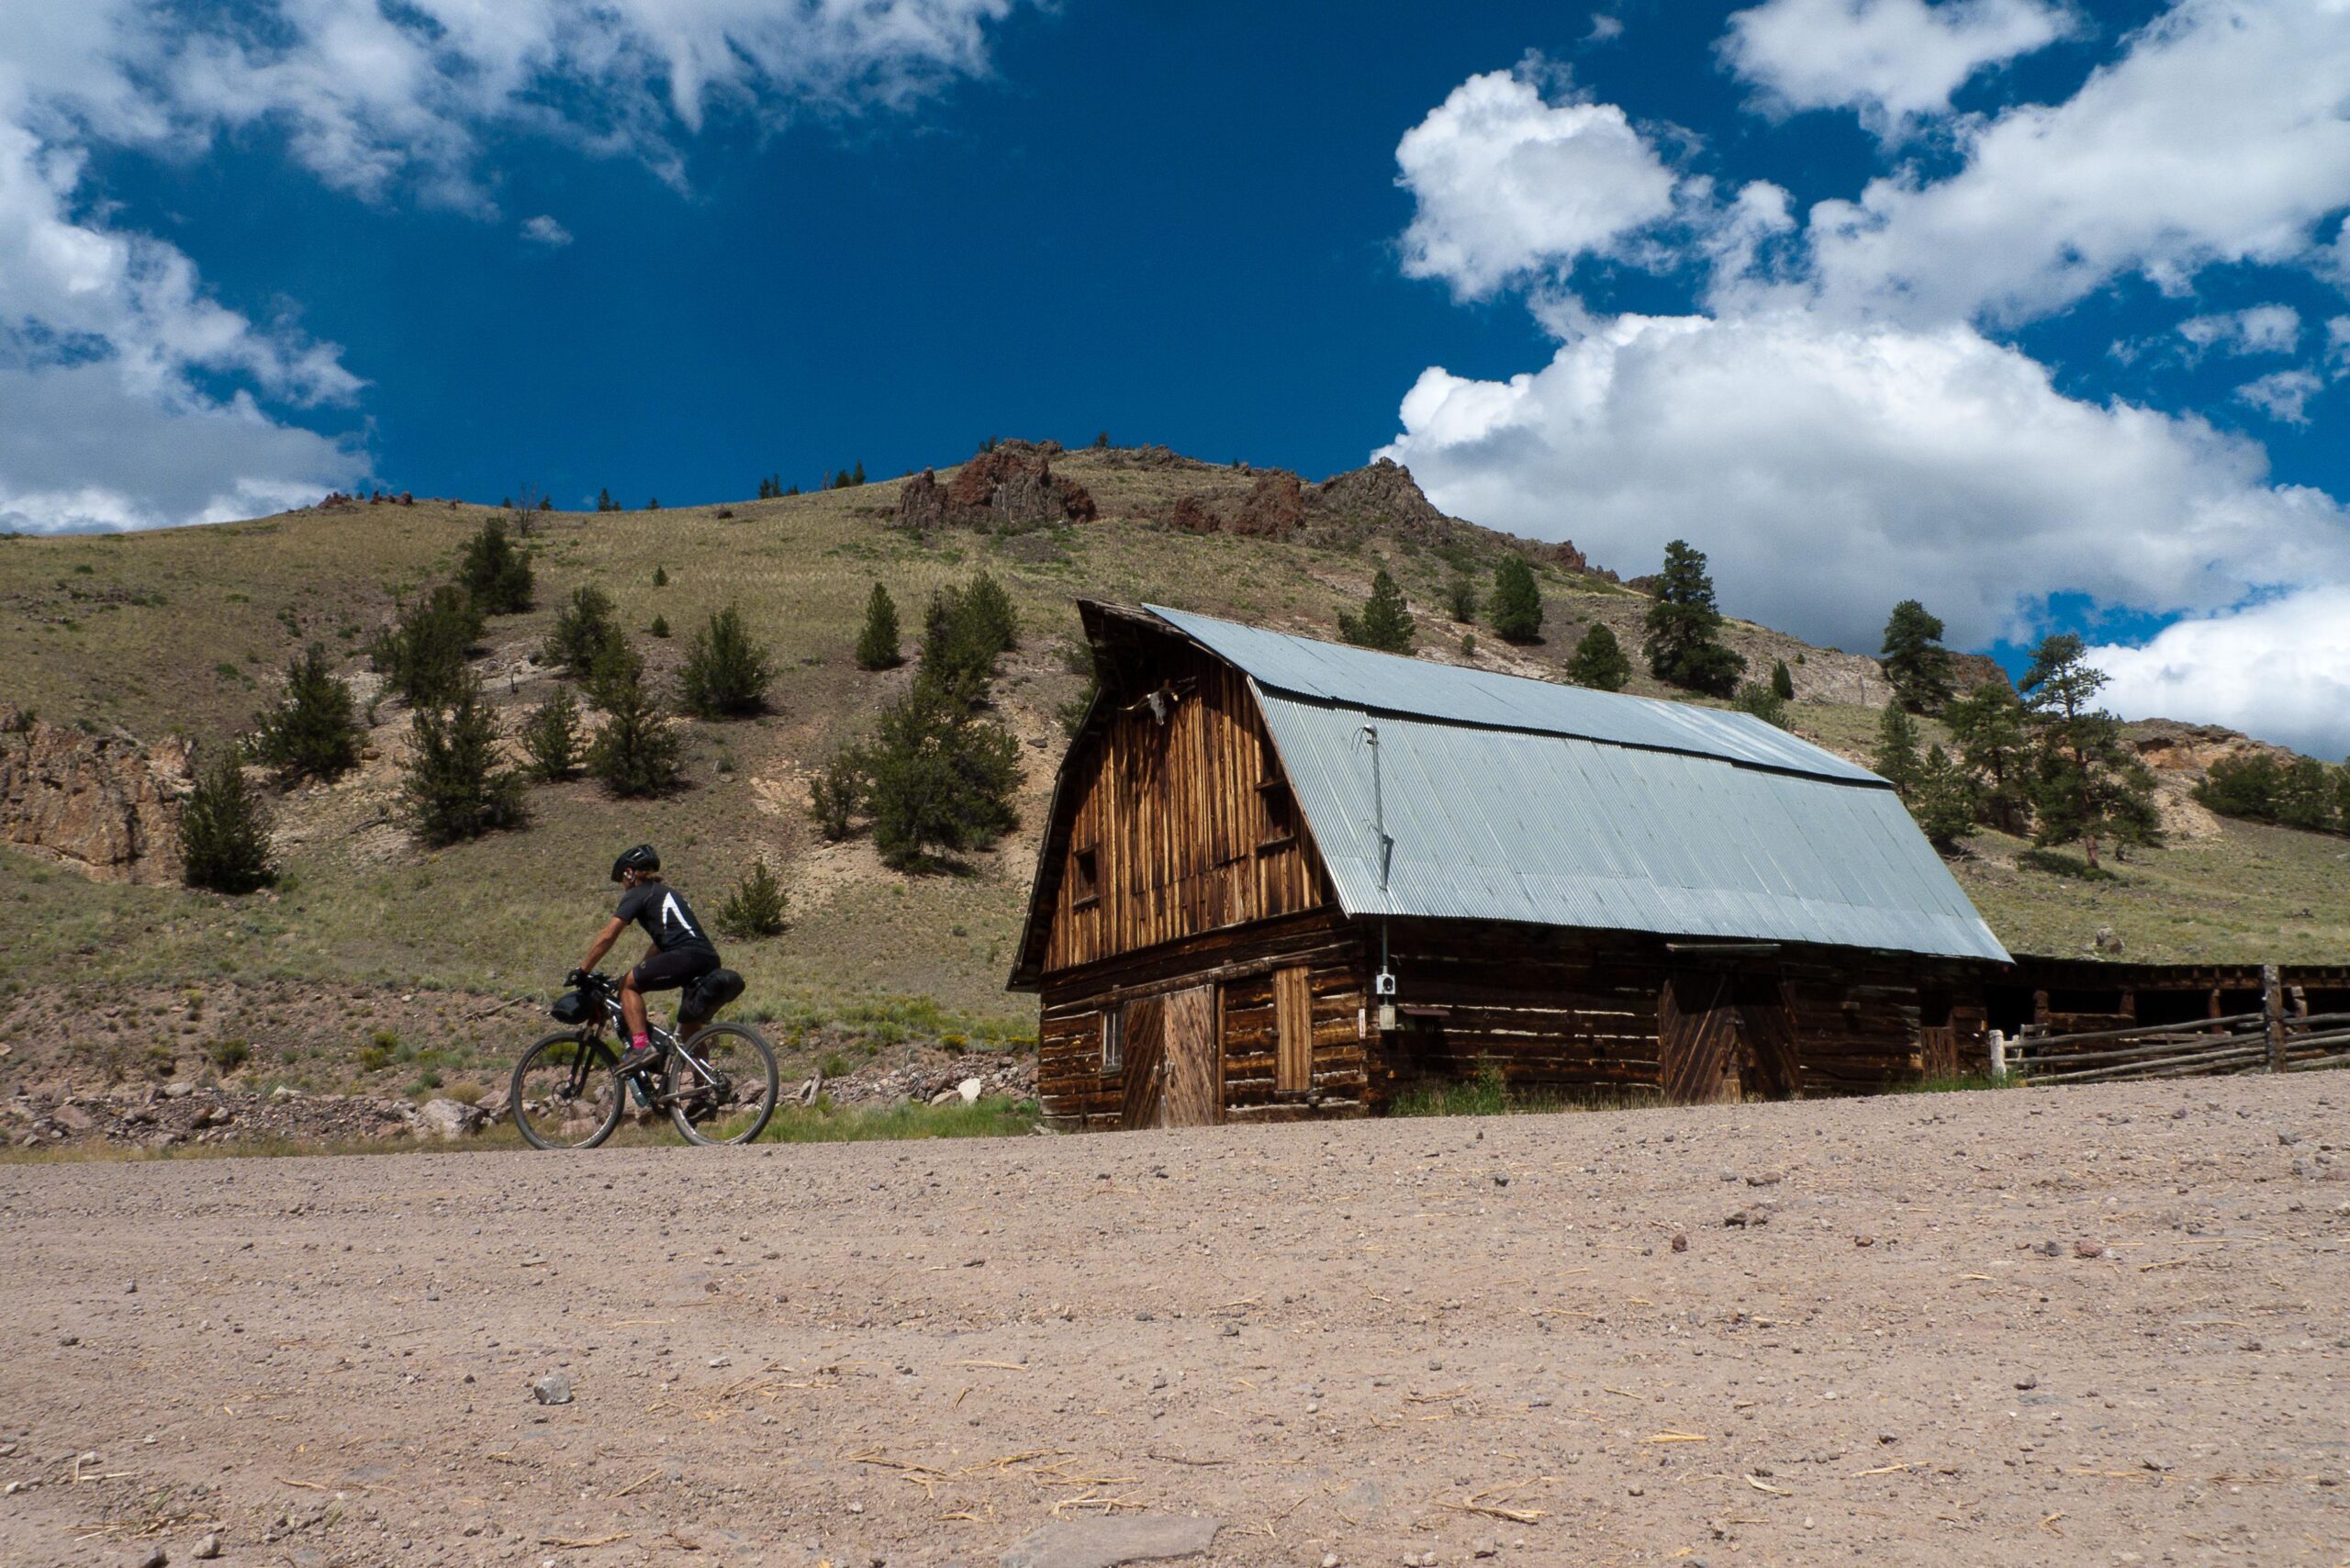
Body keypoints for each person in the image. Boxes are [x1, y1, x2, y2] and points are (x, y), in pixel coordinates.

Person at [575, 844, 720, 1076]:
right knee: (691, 1032)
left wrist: (583, 970)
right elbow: (659, 945)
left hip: (685, 956)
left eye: (622, 879)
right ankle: (701, 1095)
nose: (623, 886)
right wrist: (639, 969)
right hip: (708, 958)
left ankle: (641, 1046)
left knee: (627, 986)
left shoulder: (639, 893)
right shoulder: (668, 894)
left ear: (630, 873)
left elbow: (609, 934)